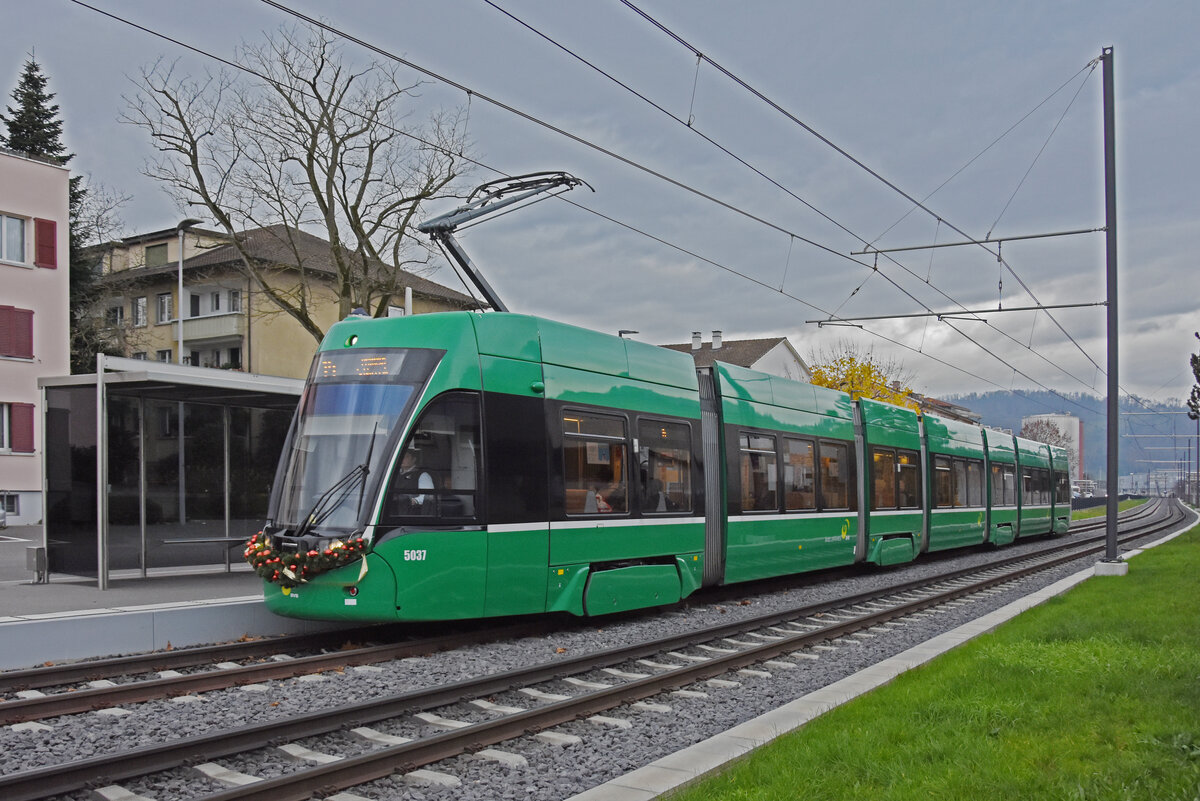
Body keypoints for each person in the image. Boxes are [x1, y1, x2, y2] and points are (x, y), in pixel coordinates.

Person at [394, 448, 434, 512]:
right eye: (401, 457)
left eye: (406, 457)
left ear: (413, 459)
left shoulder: (422, 475)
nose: (402, 459)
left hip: (411, 512)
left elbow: (429, 496)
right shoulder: (393, 474)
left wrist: (415, 500)